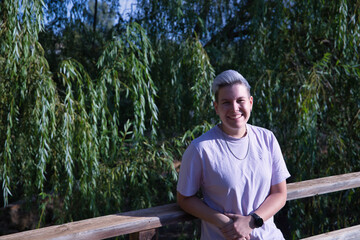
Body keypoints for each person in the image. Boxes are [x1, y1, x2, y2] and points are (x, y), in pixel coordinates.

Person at [177, 70, 291, 240]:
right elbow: (185, 198)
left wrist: (252, 221)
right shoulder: (200, 148)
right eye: (226, 102)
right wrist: (225, 223)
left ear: (250, 103)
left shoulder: (267, 139)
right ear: (216, 107)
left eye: (240, 101)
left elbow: (280, 194)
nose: (234, 108)